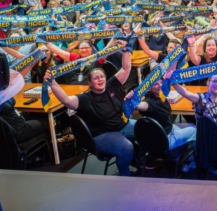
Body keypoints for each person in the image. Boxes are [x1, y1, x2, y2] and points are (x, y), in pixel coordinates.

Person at [45, 46, 137, 176]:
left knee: (146, 129)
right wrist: (52, 82)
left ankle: (142, 162)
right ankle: (125, 175)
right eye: (96, 78)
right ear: (89, 82)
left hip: (122, 125)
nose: (100, 80)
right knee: (127, 147)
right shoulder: (85, 98)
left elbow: (126, 68)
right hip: (102, 134)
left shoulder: (112, 85)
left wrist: (126, 50)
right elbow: (66, 100)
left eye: (102, 77)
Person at [125, 79, 196, 151]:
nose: (160, 85)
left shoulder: (161, 96)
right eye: (156, 84)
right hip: (166, 140)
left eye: (161, 82)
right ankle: (199, 159)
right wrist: (131, 100)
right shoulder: (149, 102)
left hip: (166, 131)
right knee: (195, 130)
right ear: (149, 88)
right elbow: (141, 106)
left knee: (190, 126)